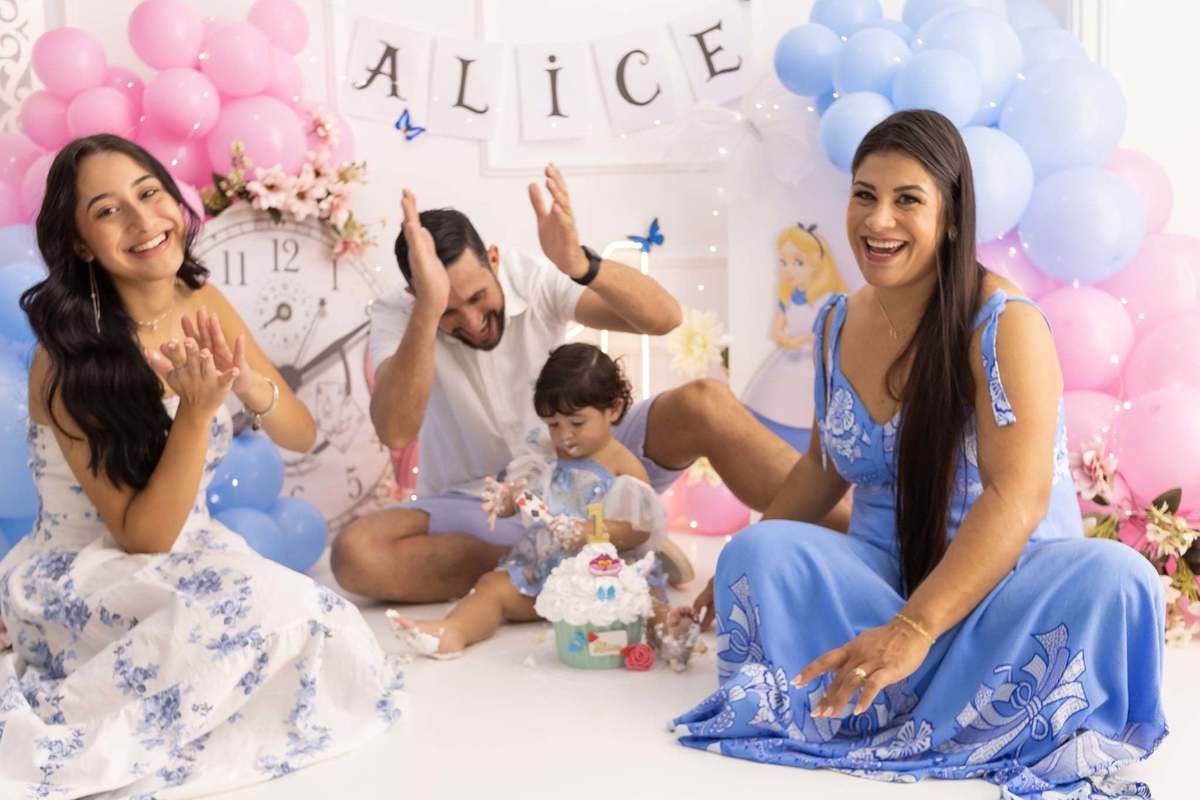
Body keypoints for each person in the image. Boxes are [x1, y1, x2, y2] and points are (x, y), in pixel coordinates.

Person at [671, 111, 1165, 800]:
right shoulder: (837, 320)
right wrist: (737, 572)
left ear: (953, 213)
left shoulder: (1005, 324)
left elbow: (1015, 499)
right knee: (757, 554)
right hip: (883, 582)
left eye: (907, 199)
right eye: (864, 194)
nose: (879, 220)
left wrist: (915, 628)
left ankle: (915, 688)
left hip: (1005, 600)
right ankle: (920, 694)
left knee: (1117, 578)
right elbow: (822, 466)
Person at [0, 134, 404, 797]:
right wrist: (193, 412)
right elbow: (141, 538)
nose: (142, 222)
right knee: (279, 611)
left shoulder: (200, 302)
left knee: (327, 627)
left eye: (149, 193)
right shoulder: (70, 359)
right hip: (86, 571)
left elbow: (299, 433)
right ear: (79, 244)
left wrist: (246, 383)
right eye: (108, 211)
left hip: (192, 552)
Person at [331, 164, 849, 603]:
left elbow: (666, 319)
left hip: (592, 464)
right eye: (448, 309)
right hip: (485, 503)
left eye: (476, 297)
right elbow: (396, 431)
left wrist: (582, 263)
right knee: (356, 555)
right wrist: (427, 310)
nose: (470, 319)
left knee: (705, 401)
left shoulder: (526, 274)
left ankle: (863, 530)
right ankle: (580, 554)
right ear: (414, 293)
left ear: (492, 260)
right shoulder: (401, 314)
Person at [387, 343, 699, 665]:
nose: (564, 435)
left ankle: (669, 630)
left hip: (605, 575)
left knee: (640, 601)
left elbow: (637, 530)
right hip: (548, 572)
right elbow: (524, 498)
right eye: (554, 424)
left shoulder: (623, 467)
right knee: (493, 587)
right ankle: (453, 631)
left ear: (614, 410)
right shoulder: (545, 452)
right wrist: (506, 501)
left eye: (577, 423)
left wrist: (590, 531)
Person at [741, 222, 848, 439]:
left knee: (808, 410)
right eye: (783, 262)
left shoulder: (829, 300)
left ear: (817, 265)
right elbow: (778, 329)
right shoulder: (788, 299)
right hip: (788, 360)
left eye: (798, 262)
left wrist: (809, 339)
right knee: (773, 404)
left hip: (815, 363)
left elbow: (833, 333)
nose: (787, 269)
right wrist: (786, 340)